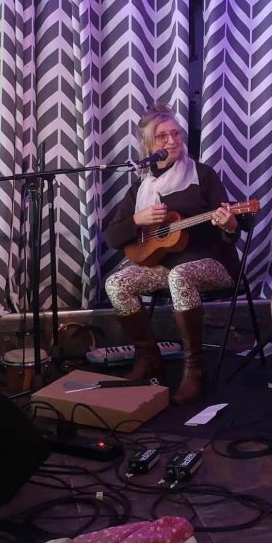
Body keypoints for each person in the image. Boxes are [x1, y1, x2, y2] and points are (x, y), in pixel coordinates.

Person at [104, 104, 240, 405]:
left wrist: (229, 223)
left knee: (180, 275)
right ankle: (148, 357)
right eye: (162, 136)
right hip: (162, 265)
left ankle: (195, 368)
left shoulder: (202, 175)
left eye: (176, 134)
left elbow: (231, 230)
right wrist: (138, 220)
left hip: (211, 262)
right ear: (148, 146)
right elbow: (112, 237)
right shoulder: (141, 186)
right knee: (115, 283)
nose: (171, 141)